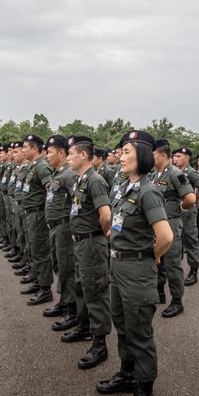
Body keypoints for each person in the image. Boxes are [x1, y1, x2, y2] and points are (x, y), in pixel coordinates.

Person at [96, 130, 173, 396]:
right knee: (123, 326)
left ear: (141, 155)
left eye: (127, 151)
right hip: (118, 267)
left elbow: (166, 236)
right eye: (122, 151)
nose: (121, 156)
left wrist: (150, 256)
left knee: (140, 334)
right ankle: (127, 374)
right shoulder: (124, 187)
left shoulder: (147, 191)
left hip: (137, 272)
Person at [60, 135, 114, 370]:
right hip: (81, 243)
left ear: (83, 155)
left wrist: (99, 233)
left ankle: (100, 344)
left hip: (92, 243)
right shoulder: (80, 179)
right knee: (81, 287)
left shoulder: (95, 180)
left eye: (71, 154)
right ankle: (84, 328)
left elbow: (106, 215)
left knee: (95, 292)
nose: (68, 158)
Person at [151, 139, 196, 317]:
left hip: (170, 222)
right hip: (157, 224)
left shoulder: (175, 174)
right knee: (158, 260)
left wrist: (180, 208)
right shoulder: (154, 173)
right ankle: (160, 292)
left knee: (172, 263)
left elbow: (190, 198)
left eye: (153, 154)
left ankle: (177, 301)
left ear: (163, 155)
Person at [43, 136, 79, 323]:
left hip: (64, 228)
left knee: (67, 268)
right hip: (55, 227)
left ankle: (72, 309)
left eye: (50, 152)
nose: (47, 155)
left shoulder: (69, 175)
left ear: (61, 153)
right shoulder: (57, 174)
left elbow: (78, 202)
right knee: (59, 265)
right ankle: (64, 301)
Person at [20, 135, 53, 305]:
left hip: (39, 214)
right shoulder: (34, 166)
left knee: (41, 251)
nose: (23, 150)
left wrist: (46, 214)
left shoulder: (42, 167)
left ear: (35, 149)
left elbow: (50, 192)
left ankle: (45, 289)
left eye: (26, 147)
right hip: (32, 213)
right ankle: (38, 280)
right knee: (35, 249)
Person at [173, 147, 199, 286]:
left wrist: (193, 200)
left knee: (190, 239)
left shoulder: (191, 172)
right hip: (177, 209)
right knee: (177, 239)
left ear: (186, 158)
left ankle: (193, 271)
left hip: (188, 210)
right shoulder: (175, 171)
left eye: (179, 156)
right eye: (175, 156)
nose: (175, 158)